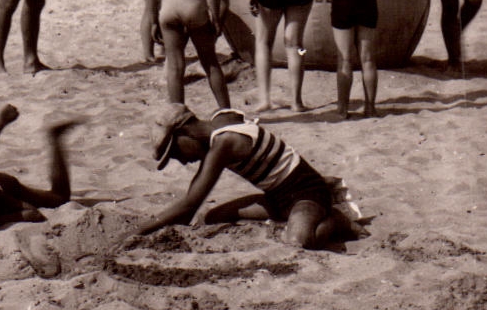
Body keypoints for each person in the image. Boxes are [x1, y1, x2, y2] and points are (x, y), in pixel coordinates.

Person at [139, 104, 364, 249]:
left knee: (299, 241)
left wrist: (141, 230)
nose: (183, 161)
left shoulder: (223, 144)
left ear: (184, 132)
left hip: (309, 194)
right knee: (211, 218)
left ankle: (334, 220)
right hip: (277, 198)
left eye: (176, 152)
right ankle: (293, 217)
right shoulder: (222, 117)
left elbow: (190, 204)